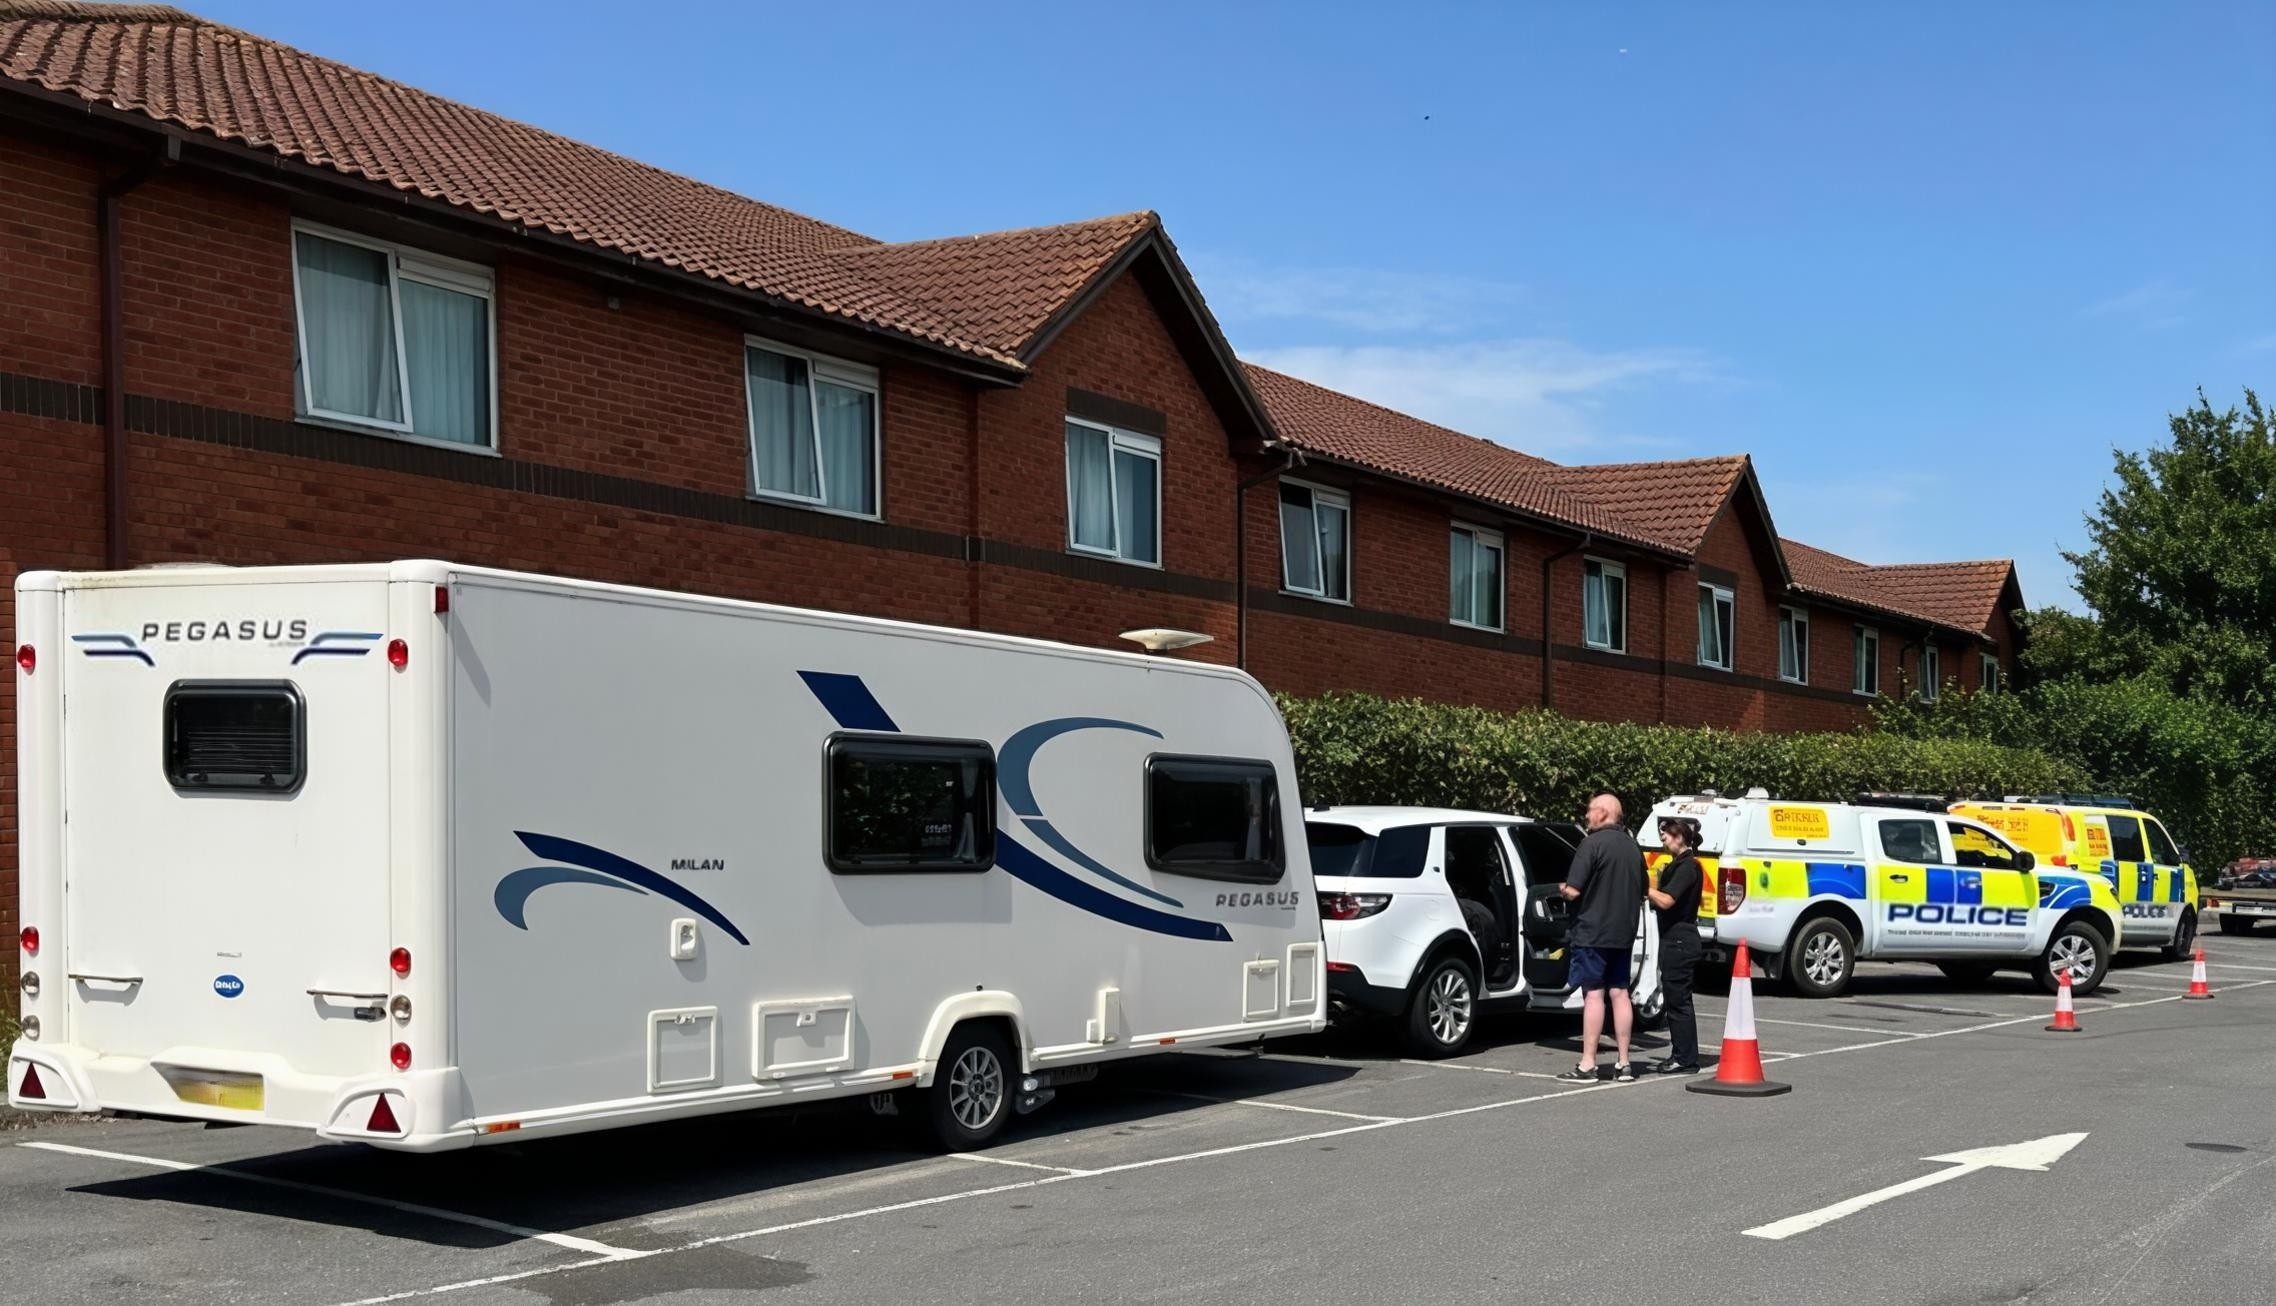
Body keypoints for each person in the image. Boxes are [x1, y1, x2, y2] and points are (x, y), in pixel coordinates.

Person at [1556, 793, 1647, 1083]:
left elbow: (1574, 890)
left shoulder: (1591, 844)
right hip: (1623, 933)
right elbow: (1644, 888)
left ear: (1604, 813)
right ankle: (1624, 1063)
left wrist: (1562, 889)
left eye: (1590, 810)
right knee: (1620, 993)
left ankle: (1588, 1064)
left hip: (1592, 931)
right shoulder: (1634, 848)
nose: (1586, 815)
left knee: (1593, 995)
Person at [1646, 817, 1705, 1075]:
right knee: (1676, 1000)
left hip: (1680, 940)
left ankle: (1685, 1058)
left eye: (1666, 835)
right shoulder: (1679, 865)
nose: (1663, 839)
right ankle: (1682, 1054)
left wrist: (1644, 887)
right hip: (1675, 939)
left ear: (1680, 837)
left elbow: (1668, 900)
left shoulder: (1688, 867)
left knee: (1678, 1002)